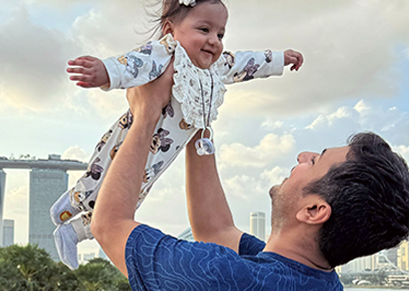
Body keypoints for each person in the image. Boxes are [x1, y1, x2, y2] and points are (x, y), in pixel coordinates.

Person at [49, 0, 303, 270]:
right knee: (104, 168)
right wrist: (104, 71)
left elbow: (247, 63)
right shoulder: (165, 54)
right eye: (204, 29)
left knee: (132, 196)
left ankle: (74, 230)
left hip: (163, 152)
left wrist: (281, 58)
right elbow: (132, 64)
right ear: (171, 30)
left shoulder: (216, 68)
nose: (214, 41)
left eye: (220, 34)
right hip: (133, 136)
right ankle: (71, 203)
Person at [91, 67, 409, 290]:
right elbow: (215, 230)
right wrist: (198, 122)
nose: (302, 156)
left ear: (314, 210)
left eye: (315, 161)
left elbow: (109, 225)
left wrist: (145, 113)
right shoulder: (315, 280)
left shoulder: (223, 278)